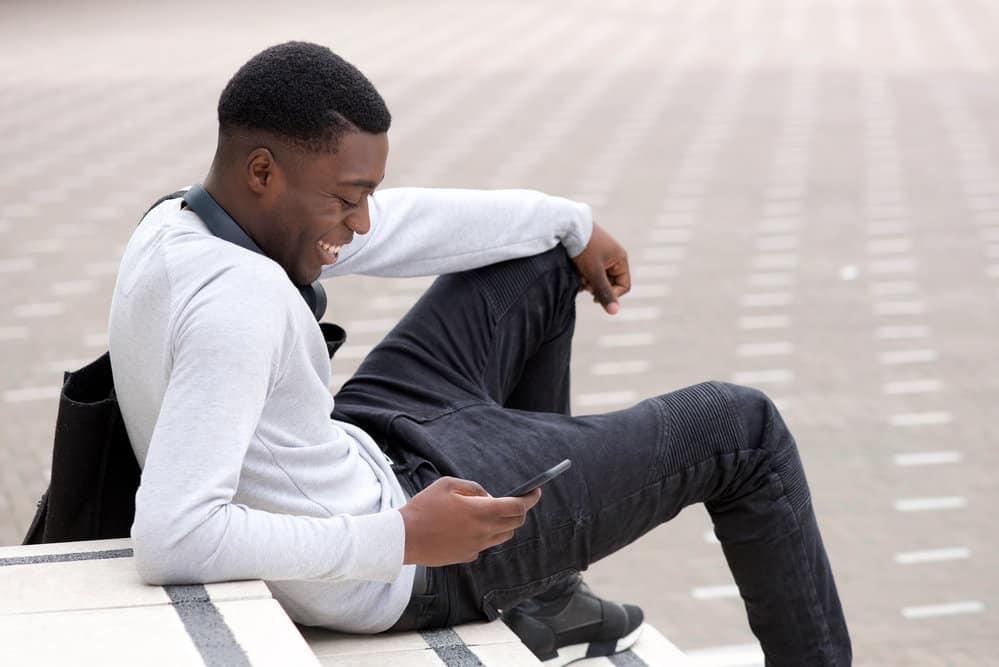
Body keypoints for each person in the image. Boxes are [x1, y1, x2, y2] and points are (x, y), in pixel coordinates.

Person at [109, 41, 851, 665]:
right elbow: (175, 536)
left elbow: (404, 223)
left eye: (366, 193)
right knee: (740, 428)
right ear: (263, 172)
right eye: (346, 198)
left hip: (360, 453)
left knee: (536, 256)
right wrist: (400, 536)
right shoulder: (238, 300)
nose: (361, 222)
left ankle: (548, 592)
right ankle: (523, 579)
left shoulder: (188, 221)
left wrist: (571, 224)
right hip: (400, 563)